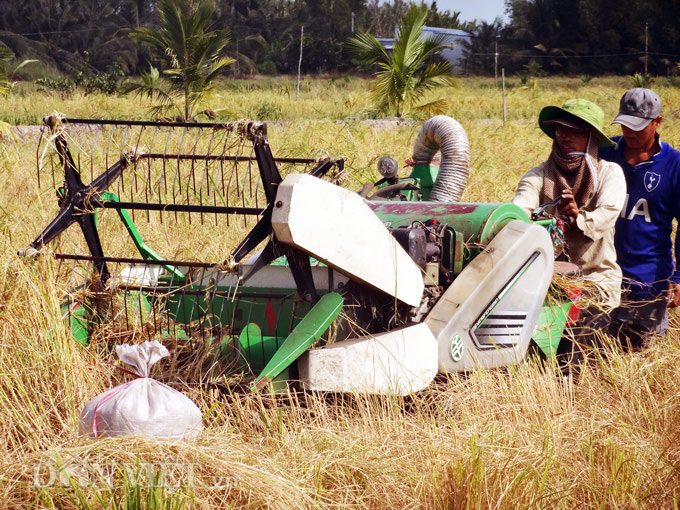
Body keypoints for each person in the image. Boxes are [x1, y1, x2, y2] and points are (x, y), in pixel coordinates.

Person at [512, 98, 626, 376]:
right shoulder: (539, 176)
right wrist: (509, 219)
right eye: (561, 130)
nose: (565, 137)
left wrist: (576, 217)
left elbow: (605, 215)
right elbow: (519, 208)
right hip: (547, 282)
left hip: (595, 280)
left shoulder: (609, 174)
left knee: (570, 353)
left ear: (592, 138)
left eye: (574, 131)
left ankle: (568, 399)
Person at [599, 88, 680, 350]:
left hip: (648, 282)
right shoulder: (605, 153)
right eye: (625, 125)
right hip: (601, 274)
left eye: (639, 126)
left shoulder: (674, 165)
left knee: (637, 355)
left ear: (657, 122)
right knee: (594, 353)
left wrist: (678, 278)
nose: (630, 133)